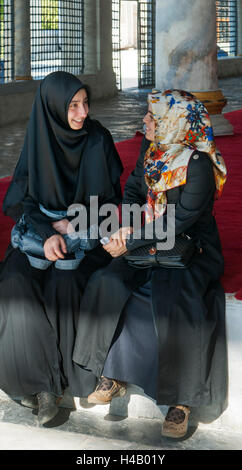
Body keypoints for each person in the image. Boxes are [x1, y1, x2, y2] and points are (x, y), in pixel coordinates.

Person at [72, 89, 228, 439]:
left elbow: (179, 222)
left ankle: (181, 401)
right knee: (107, 281)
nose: (145, 121)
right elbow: (131, 194)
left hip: (190, 249)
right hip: (147, 239)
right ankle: (110, 375)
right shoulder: (151, 151)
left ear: (174, 123)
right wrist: (125, 227)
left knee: (177, 298)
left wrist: (130, 239)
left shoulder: (197, 163)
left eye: (153, 117)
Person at [0, 71, 123, 425]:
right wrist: (46, 231)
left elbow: (113, 201)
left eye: (85, 104)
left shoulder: (97, 140)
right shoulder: (39, 138)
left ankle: (65, 382)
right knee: (14, 282)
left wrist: (76, 224)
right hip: (41, 238)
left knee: (64, 282)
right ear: (53, 107)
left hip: (86, 239)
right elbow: (22, 200)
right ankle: (42, 388)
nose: (82, 113)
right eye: (73, 106)